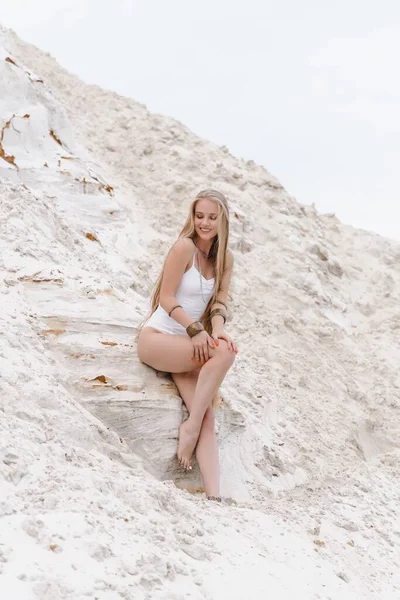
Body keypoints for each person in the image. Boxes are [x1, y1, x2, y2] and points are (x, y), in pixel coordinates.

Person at [137, 189, 238, 500]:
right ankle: (189, 428)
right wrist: (195, 330)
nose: (204, 223)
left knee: (205, 411)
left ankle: (214, 497)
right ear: (192, 217)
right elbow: (166, 298)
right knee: (223, 354)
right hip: (158, 340)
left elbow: (220, 301)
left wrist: (217, 330)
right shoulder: (183, 248)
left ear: (223, 220)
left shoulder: (225, 259)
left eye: (211, 217)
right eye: (199, 216)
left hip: (186, 348)